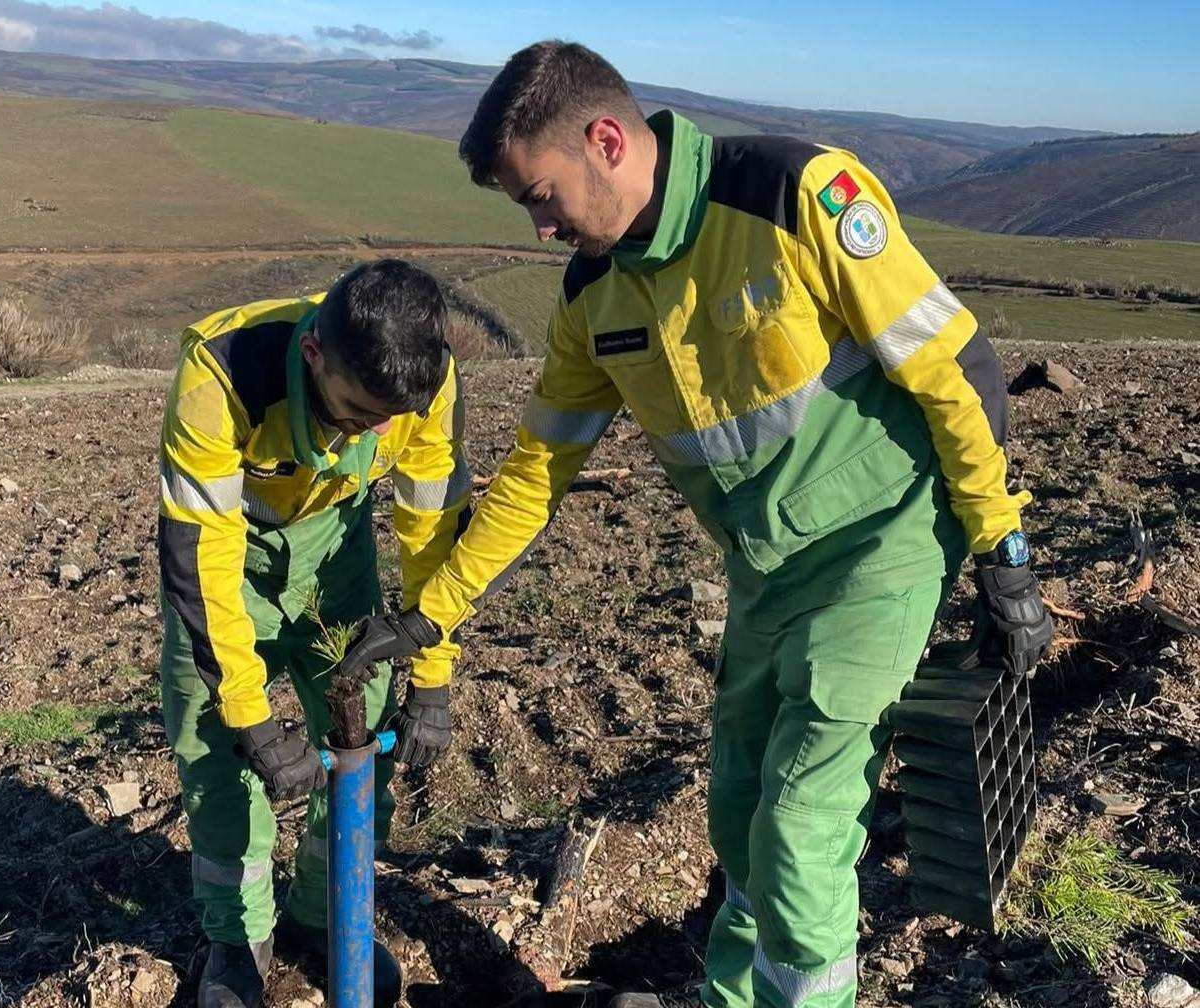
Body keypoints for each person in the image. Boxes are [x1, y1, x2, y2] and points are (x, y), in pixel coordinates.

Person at [335, 42, 1051, 1008]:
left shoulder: (794, 194)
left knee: (801, 823)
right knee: (738, 813)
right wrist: (433, 615)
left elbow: (951, 369)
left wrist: (1001, 549)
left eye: (540, 196)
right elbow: (538, 472)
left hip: (884, 542)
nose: (541, 227)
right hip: (766, 570)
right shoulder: (594, 295)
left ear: (604, 140)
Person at [157, 258, 470, 1008]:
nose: (382, 430)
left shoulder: (420, 380)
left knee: (366, 731)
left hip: (338, 552)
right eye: (360, 413)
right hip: (230, 556)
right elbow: (201, 558)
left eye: (394, 415)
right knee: (214, 745)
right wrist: (249, 715)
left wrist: (433, 675)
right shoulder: (224, 376)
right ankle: (238, 939)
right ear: (312, 356)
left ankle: (323, 916)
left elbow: (432, 538)